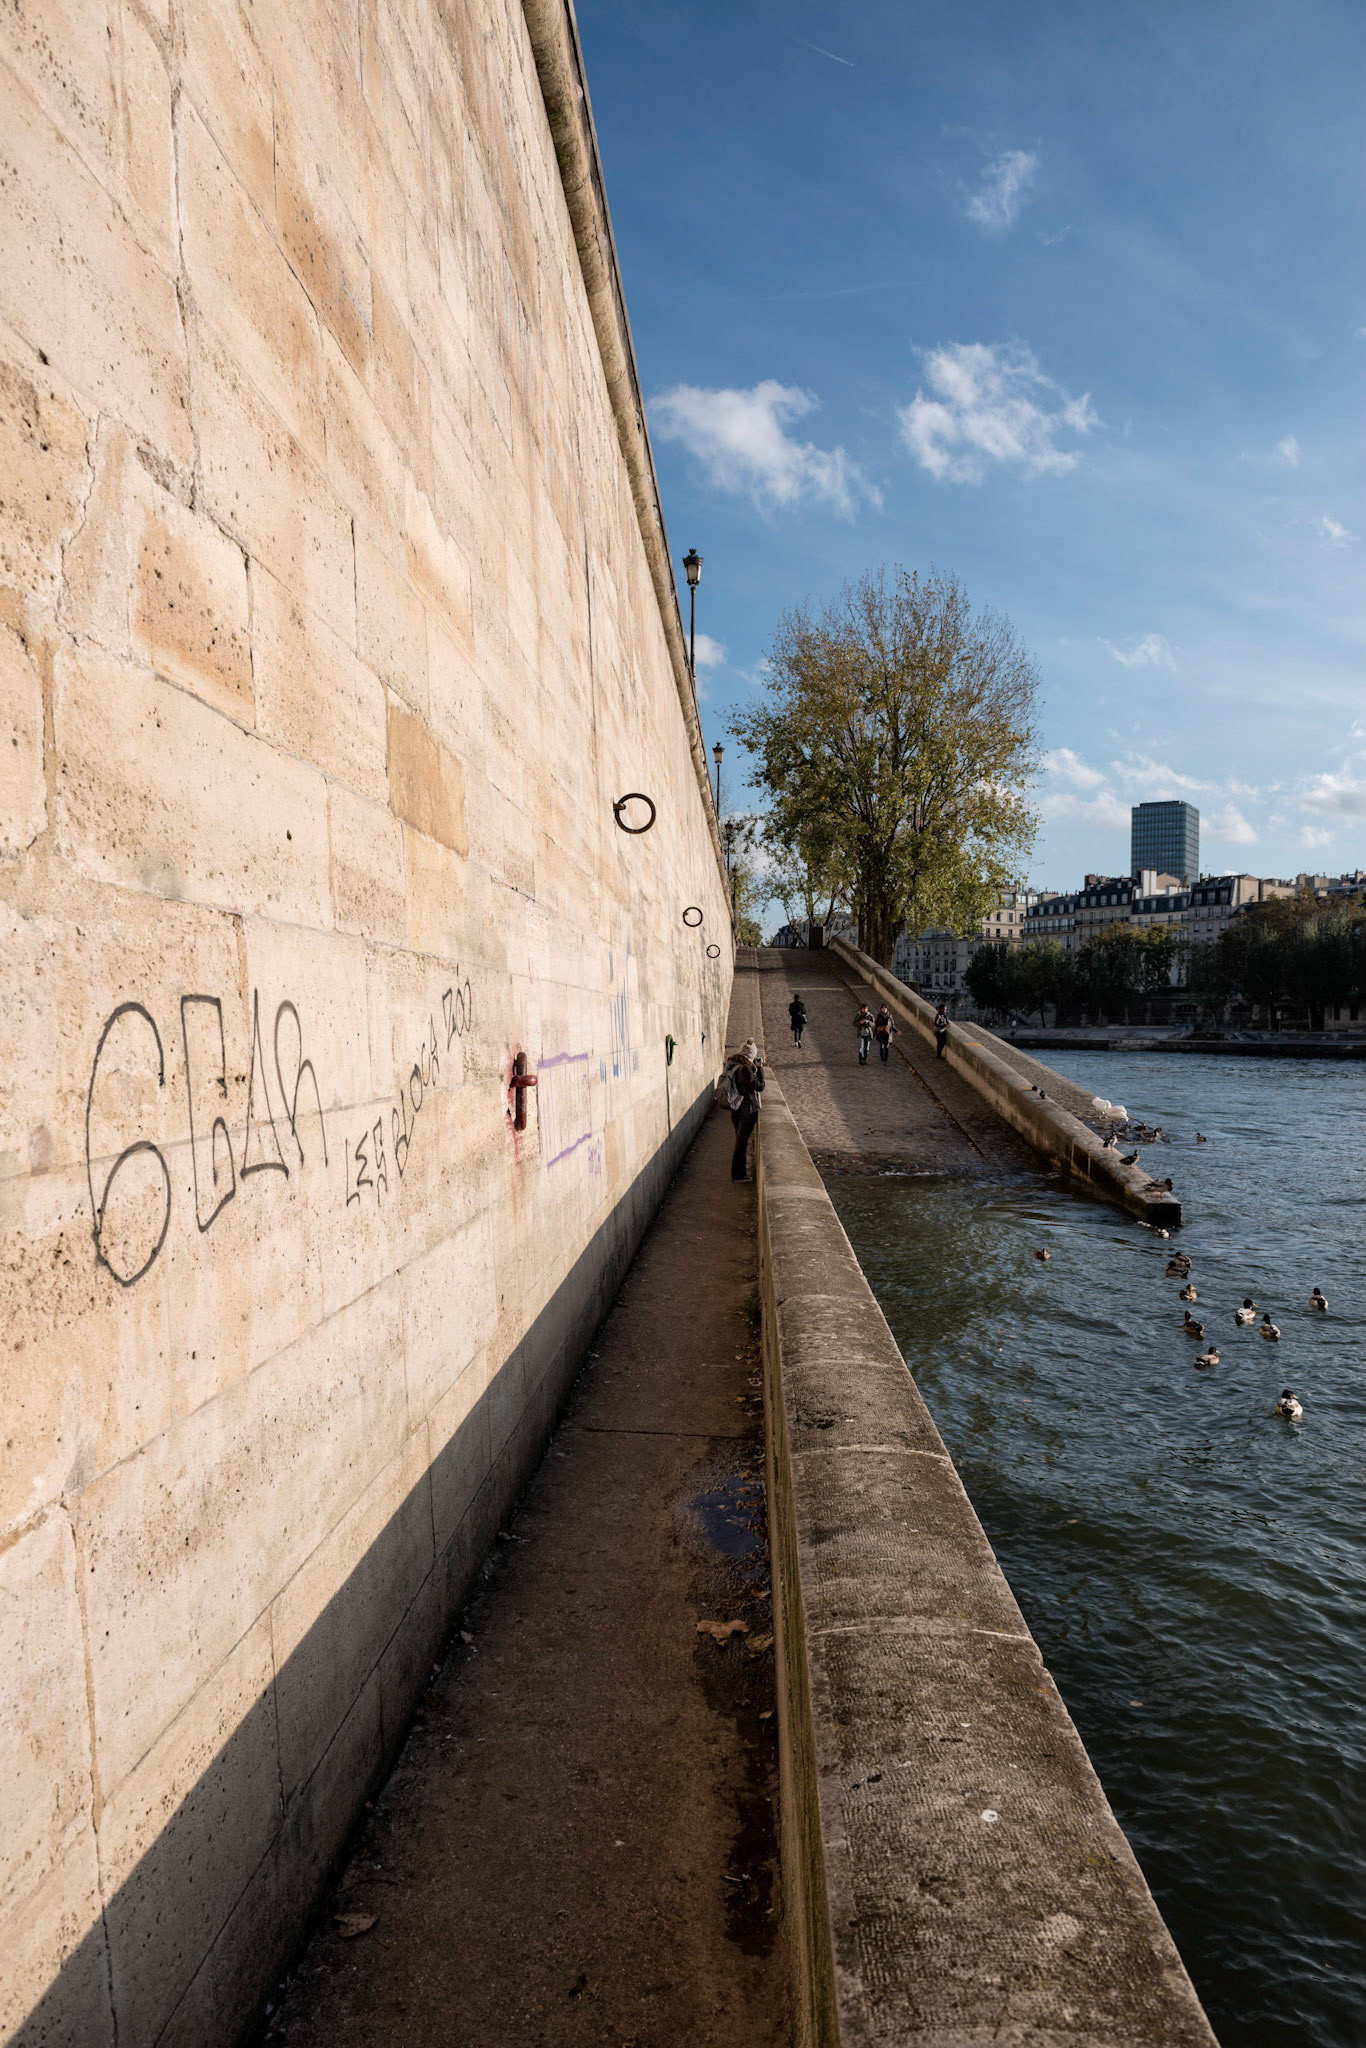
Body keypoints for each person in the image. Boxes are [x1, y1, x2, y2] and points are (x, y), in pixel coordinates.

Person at [718, 1039, 765, 1181]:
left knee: (740, 1142)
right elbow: (760, 1086)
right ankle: (738, 1175)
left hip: (735, 1110)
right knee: (741, 1144)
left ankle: (740, 1174)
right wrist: (760, 1068)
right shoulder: (745, 1069)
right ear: (751, 1055)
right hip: (747, 1111)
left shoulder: (731, 1064)